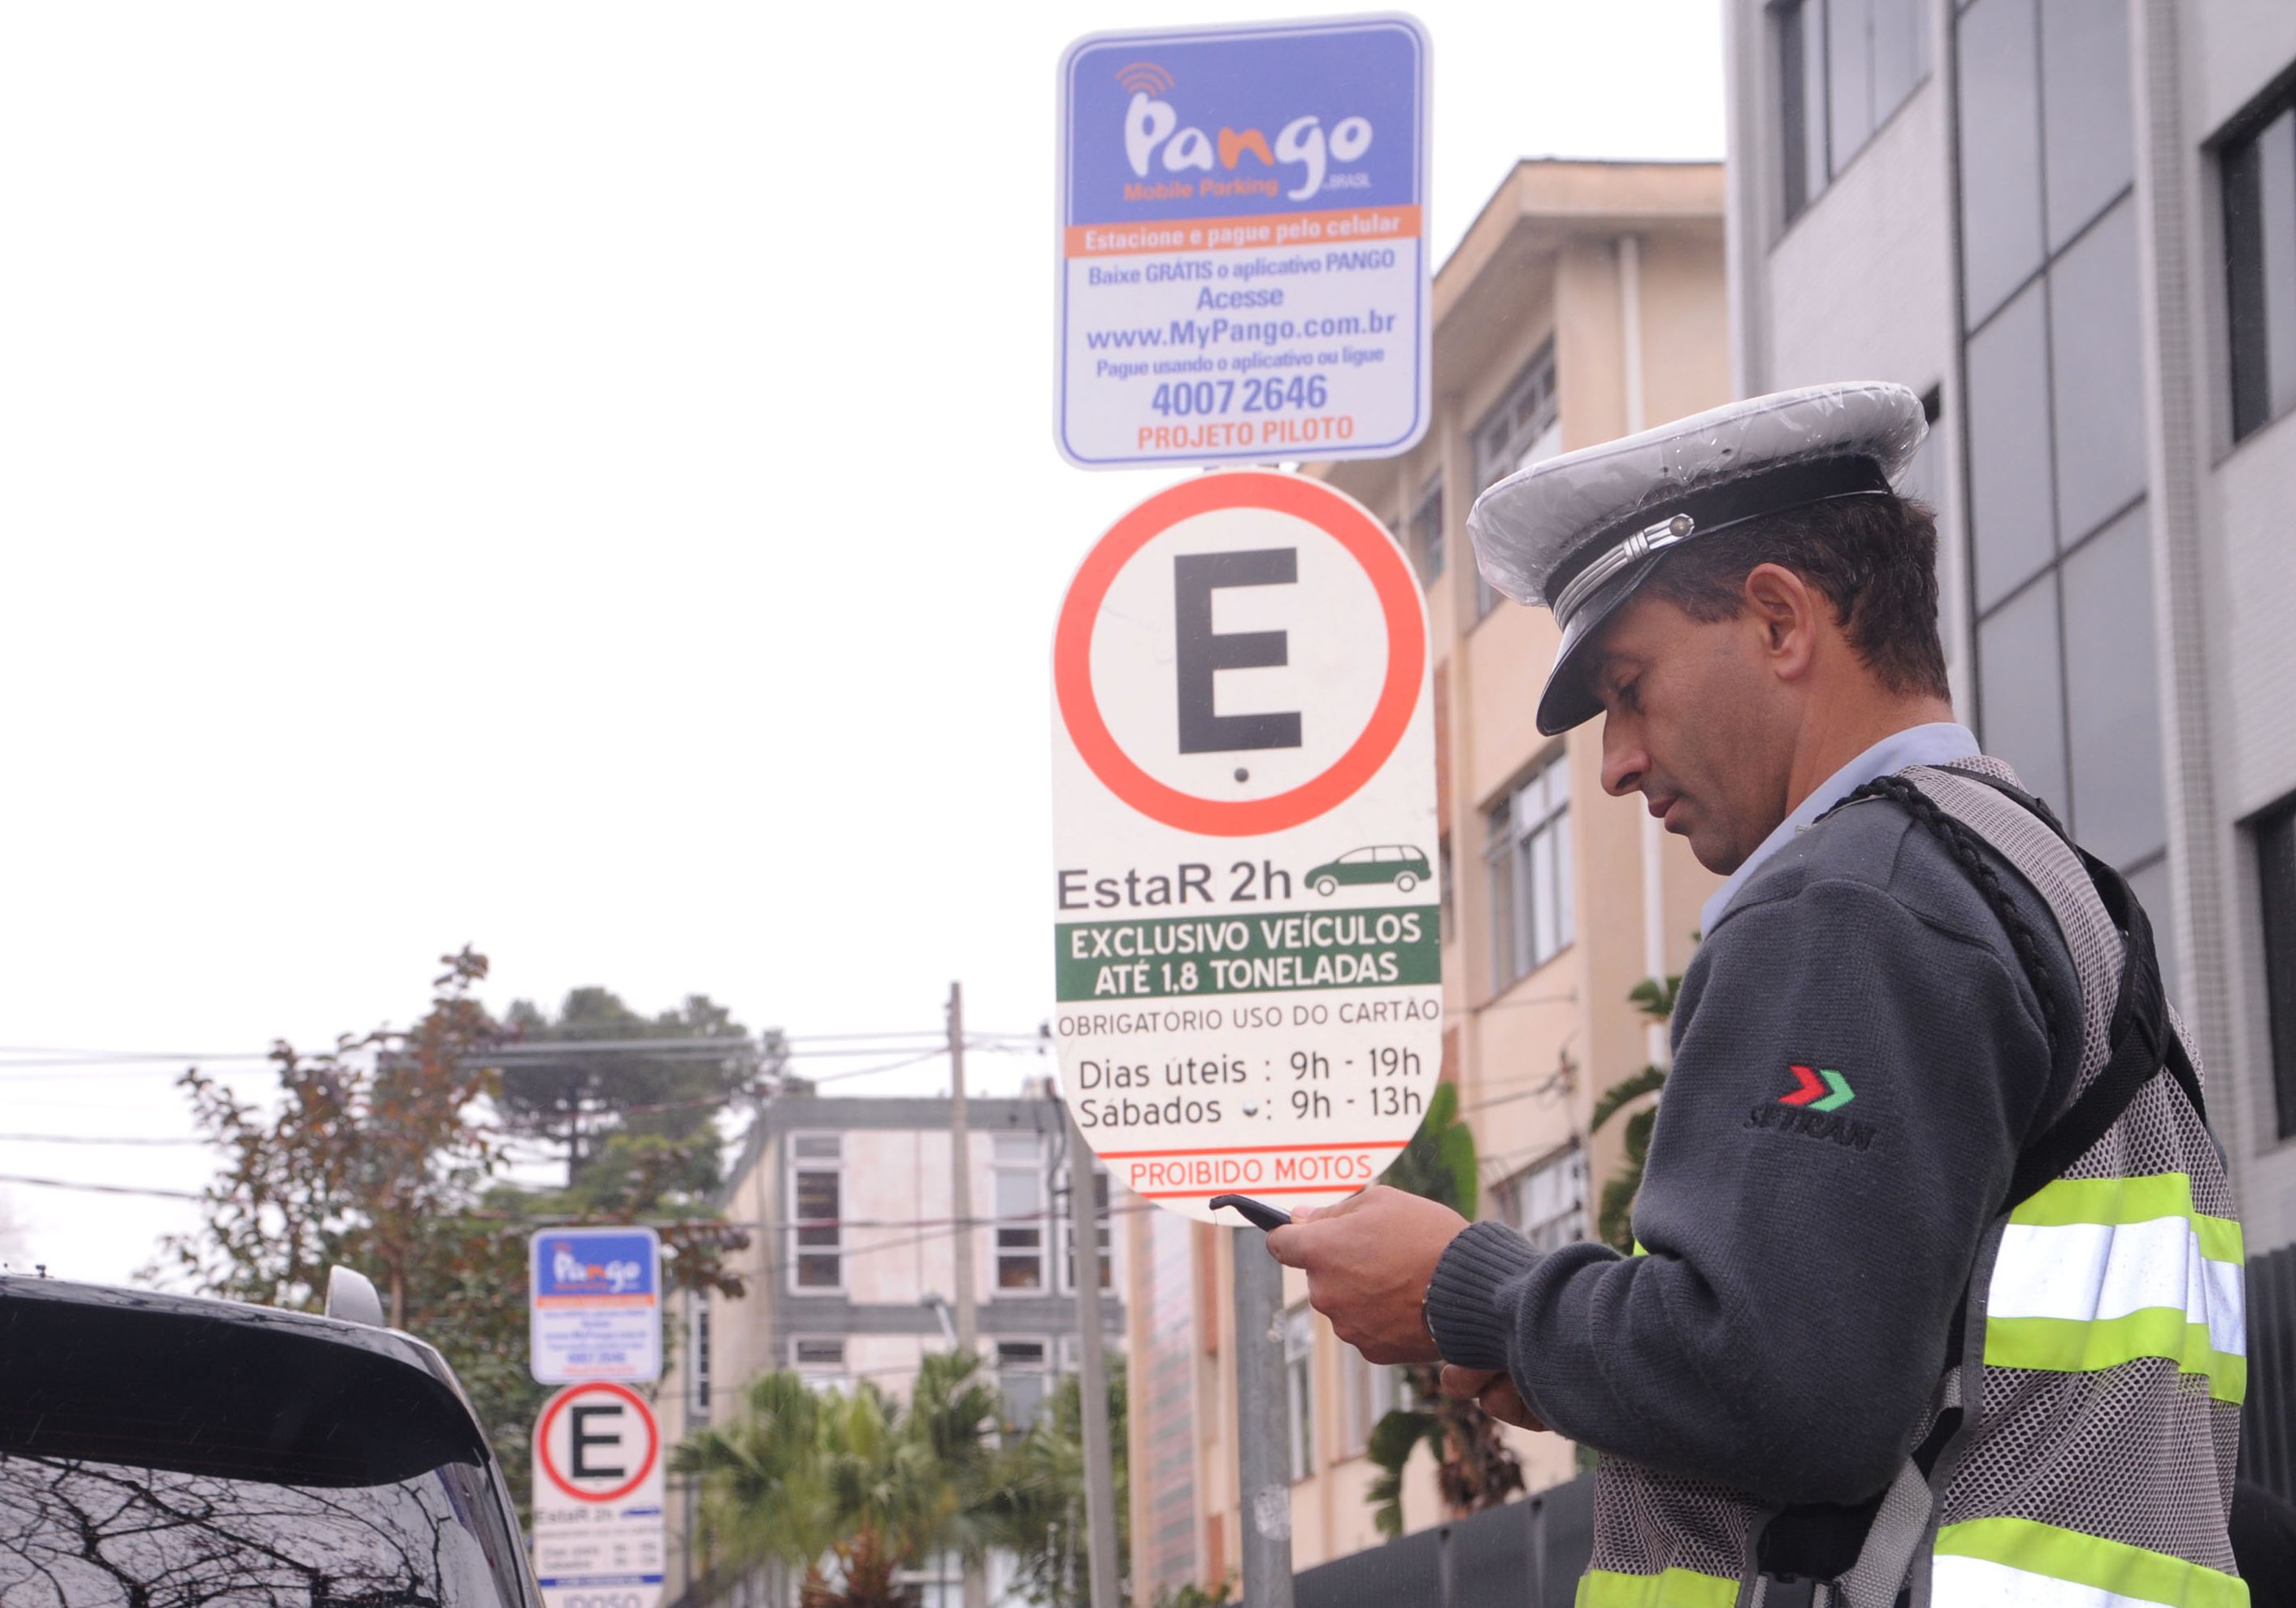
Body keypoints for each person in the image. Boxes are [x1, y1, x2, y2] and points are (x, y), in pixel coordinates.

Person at [1266, 382, 2246, 1606]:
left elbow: (1789, 1381)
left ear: (1780, 621)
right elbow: (1915, 1368)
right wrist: (1585, 1355)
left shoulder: (1850, 904)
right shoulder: (2037, 880)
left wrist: (1478, 1294)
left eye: (1629, 687)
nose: (1616, 763)